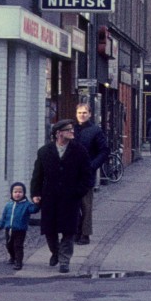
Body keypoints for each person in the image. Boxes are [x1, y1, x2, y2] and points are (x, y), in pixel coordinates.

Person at [31, 120, 92, 273]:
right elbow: (37, 175)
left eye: (72, 129)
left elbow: (87, 176)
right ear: (58, 133)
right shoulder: (44, 151)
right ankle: (55, 252)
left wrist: (78, 191)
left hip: (70, 198)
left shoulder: (80, 151)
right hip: (50, 197)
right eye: (68, 130)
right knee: (49, 230)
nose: (72, 132)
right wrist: (36, 193)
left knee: (69, 230)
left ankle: (65, 260)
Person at [73, 102, 108, 244]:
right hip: (71, 174)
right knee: (72, 205)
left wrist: (92, 166)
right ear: (76, 114)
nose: (82, 115)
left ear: (90, 114)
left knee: (86, 205)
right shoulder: (71, 129)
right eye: (79, 113)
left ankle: (85, 234)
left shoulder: (95, 131)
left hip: (86, 174)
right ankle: (75, 230)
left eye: (84, 113)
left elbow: (104, 151)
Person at [0, 182, 39, 271]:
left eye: (20, 192)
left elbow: (34, 210)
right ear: (11, 193)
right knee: (9, 245)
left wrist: (37, 203)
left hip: (20, 230)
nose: (17, 194)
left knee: (18, 246)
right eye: (15, 192)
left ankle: (19, 262)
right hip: (9, 229)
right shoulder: (8, 205)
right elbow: (3, 217)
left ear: (24, 193)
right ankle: (12, 257)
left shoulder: (27, 205)